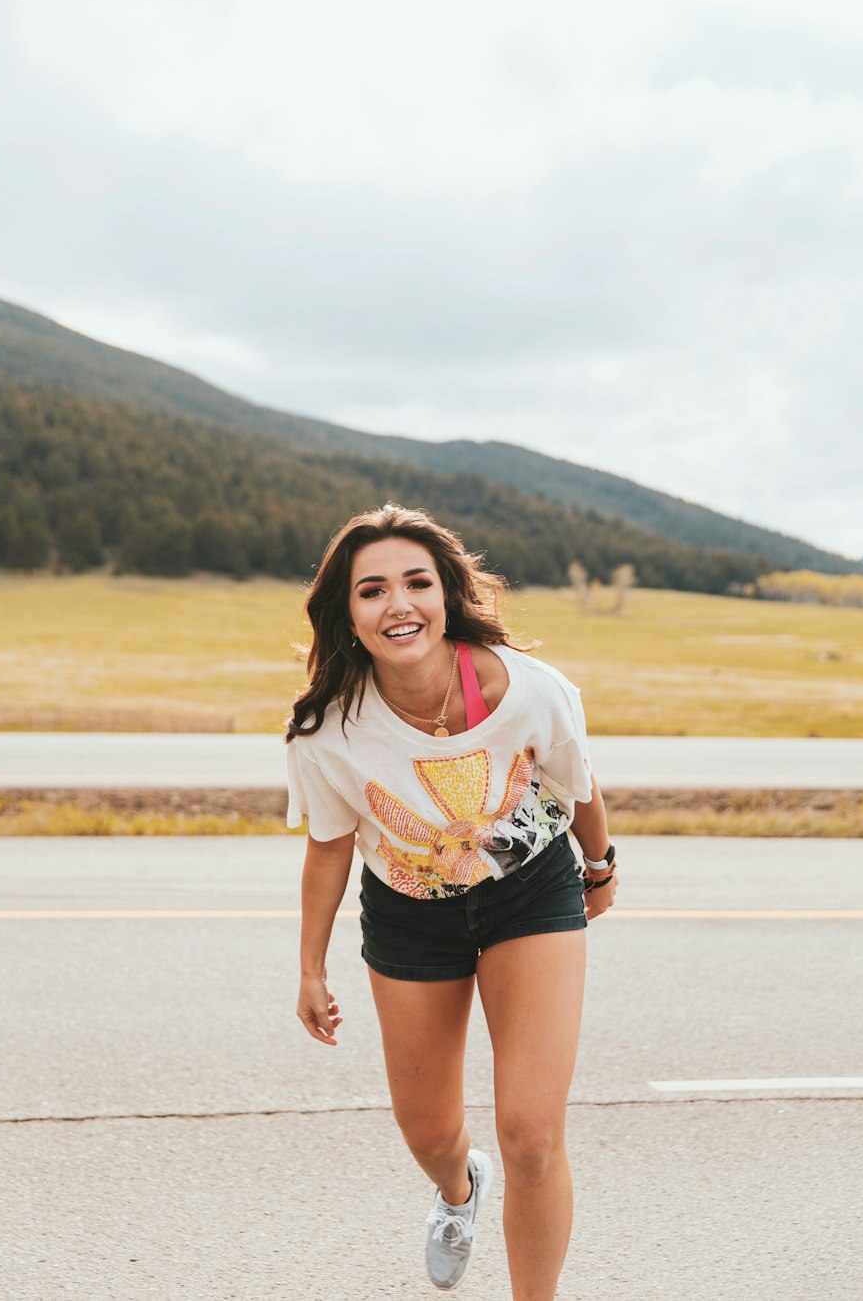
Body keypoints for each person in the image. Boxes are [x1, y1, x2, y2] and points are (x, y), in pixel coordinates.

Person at [286, 504, 618, 1299]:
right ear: (348, 613)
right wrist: (308, 967)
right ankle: (459, 1189)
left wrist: (600, 868)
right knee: (429, 1130)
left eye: (416, 583)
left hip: (530, 893)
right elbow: (329, 847)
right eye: (372, 591)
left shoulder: (532, 690)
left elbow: (579, 789)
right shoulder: (326, 730)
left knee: (532, 1135)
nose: (398, 604)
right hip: (408, 913)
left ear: (446, 595)